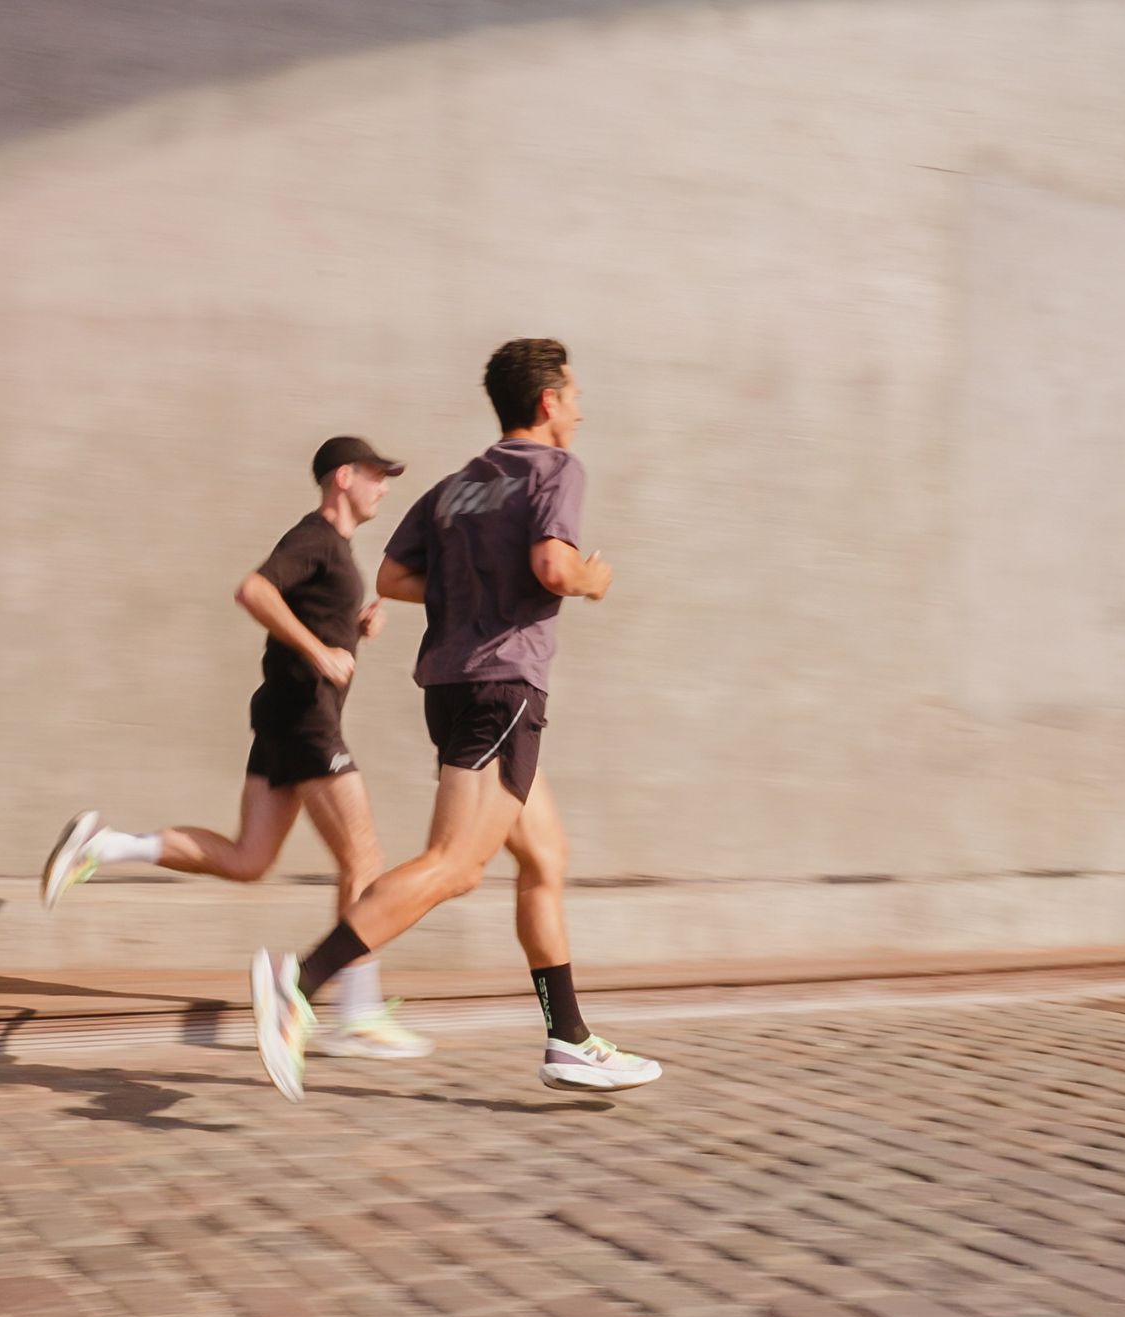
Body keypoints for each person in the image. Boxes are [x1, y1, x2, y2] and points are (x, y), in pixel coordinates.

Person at [250, 340, 661, 1101]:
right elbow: (555, 568)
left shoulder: (457, 486)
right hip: (504, 688)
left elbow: (394, 576)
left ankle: (568, 1039)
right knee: (455, 864)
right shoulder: (555, 470)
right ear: (547, 402)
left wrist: (473, 585)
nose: (579, 408)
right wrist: (593, 580)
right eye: (573, 395)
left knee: (544, 857)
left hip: (453, 686)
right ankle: (299, 984)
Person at [40, 436, 431, 1059]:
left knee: (250, 858)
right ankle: (353, 1013)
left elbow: (303, 610)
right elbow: (254, 591)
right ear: (344, 476)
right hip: (306, 719)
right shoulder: (315, 537)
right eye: (378, 475)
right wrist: (318, 650)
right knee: (364, 859)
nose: (385, 487)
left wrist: (350, 629)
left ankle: (104, 844)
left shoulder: (332, 551)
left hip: (283, 716)